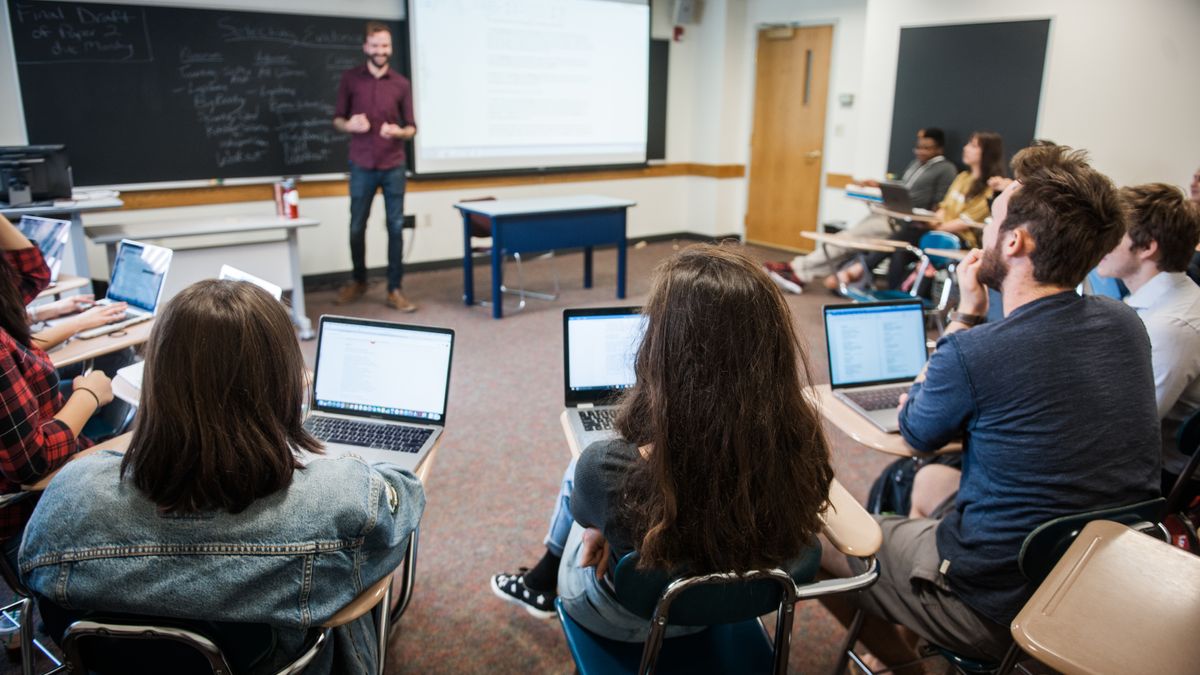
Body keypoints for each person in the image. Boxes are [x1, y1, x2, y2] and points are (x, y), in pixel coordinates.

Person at [820, 145, 1161, 668]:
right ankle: (925, 645)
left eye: (992, 220)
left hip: (995, 606)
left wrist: (965, 314)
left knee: (821, 538)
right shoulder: (1124, 324)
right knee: (930, 482)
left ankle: (914, 664)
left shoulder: (976, 351)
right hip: (1091, 586)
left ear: (1015, 240)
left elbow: (914, 431)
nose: (981, 233)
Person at [20, 280, 425, 674]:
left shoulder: (67, 497)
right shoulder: (339, 500)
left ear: (157, 382)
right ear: (283, 384)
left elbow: (45, 611)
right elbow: (405, 496)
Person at [490, 244, 834, 639]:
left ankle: (541, 581)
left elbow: (589, 510)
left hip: (631, 616)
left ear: (662, 348)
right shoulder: (803, 442)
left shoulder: (606, 466)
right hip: (737, 609)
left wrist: (600, 527)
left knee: (580, 486)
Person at [0, 214, 110, 567]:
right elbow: (32, 463)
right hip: (33, 508)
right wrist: (89, 395)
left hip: (51, 466)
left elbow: (33, 273)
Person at [1096, 183, 1200, 500]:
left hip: (1159, 480)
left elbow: (1128, 429)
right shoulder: (1155, 302)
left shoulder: (1170, 326)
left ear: (1147, 248)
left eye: (1113, 233)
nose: (1101, 242)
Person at [764, 127, 957, 292]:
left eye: (926, 148)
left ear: (939, 148)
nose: (920, 151)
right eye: (919, 147)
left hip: (904, 223)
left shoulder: (945, 169)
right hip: (888, 213)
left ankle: (797, 269)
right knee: (845, 239)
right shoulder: (916, 165)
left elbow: (940, 203)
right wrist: (879, 186)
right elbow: (904, 188)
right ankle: (799, 271)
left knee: (846, 241)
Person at [830, 131, 1005, 292]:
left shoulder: (990, 188)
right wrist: (932, 222)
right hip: (937, 230)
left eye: (973, 145)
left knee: (908, 235)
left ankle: (861, 268)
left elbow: (964, 222)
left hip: (959, 240)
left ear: (987, 152)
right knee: (902, 248)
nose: (966, 148)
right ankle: (894, 297)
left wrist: (935, 227)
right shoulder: (962, 178)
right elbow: (944, 208)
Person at [332, 20, 418, 313]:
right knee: (357, 226)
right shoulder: (350, 79)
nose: (381, 50)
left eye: (385, 45)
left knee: (395, 227)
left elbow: (412, 128)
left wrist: (399, 132)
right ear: (366, 47)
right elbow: (338, 119)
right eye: (376, 45)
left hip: (393, 164)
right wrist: (350, 124)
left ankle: (395, 288)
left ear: (390, 48)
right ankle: (359, 280)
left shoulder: (401, 84)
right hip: (362, 163)